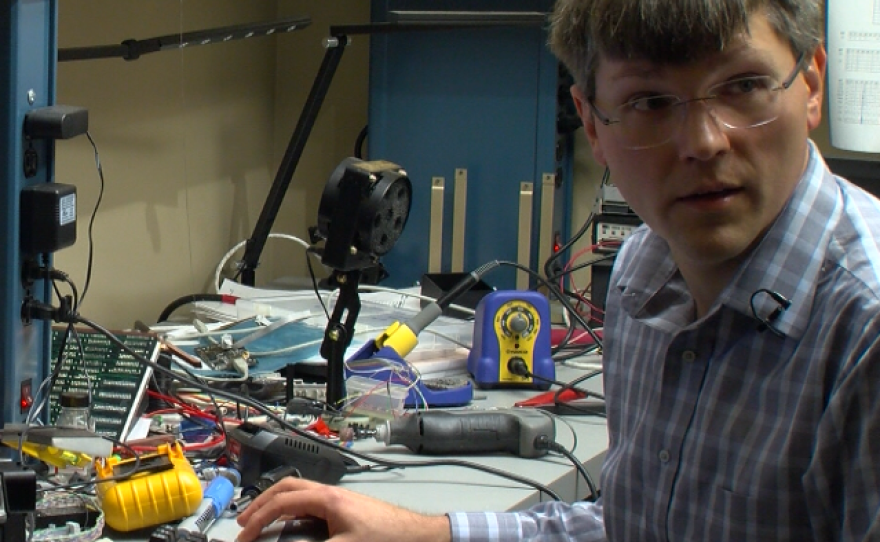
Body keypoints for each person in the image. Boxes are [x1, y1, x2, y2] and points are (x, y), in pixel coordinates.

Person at [236, 0, 880, 539]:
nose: (705, 141)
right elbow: (635, 525)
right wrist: (427, 532)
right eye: (652, 102)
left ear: (813, 85)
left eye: (742, 86)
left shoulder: (864, 331)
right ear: (594, 126)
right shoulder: (642, 272)